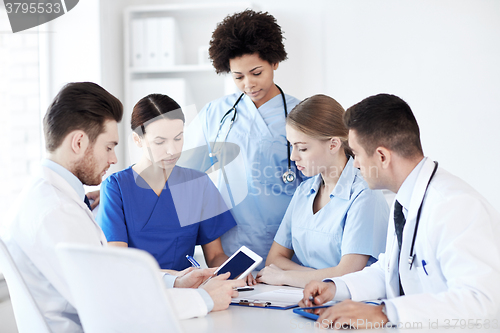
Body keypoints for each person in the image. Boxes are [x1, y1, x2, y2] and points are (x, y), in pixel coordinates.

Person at [1, 82, 244, 333]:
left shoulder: (46, 198)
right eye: (108, 147)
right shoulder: (57, 213)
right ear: (79, 142)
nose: (114, 159)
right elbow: (111, 302)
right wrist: (202, 299)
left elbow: (110, 280)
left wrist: (175, 281)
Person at [300, 93, 500, 329]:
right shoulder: (405, 199)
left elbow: (483, 300)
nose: (354, 163)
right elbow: (390, 271)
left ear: (382, 156)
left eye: (356, 154)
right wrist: (335, 287)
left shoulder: (455, 206)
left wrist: (386, 313)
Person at [180, 9, 303, 272]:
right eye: (238, 77)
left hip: (289, 248)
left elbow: (320, 185)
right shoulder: (216, 114)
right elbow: (183, 172)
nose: (249, 84)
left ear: (274, 62)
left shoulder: (301, 115)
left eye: (256, 72)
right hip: (228, 248)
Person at [255, 95, 389, 288]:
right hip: (303, 299)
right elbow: (274, 260)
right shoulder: (304, 191)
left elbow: (349, 274)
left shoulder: (364, 194)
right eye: (291, 146)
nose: (293, 157)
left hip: (351, 306)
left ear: (333, 145)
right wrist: (320, 276)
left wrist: (287, 277)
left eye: (302, 148)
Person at [97, 94, 237, 274]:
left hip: (189, 294)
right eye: (160, 141)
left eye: (178, 138)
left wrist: (234, 270)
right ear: (137, 139)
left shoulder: (198, 184)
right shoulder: (116, 187)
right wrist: (175, 278)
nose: (173, 150)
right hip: (138, 291)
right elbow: (118, 262)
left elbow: (215, 256)